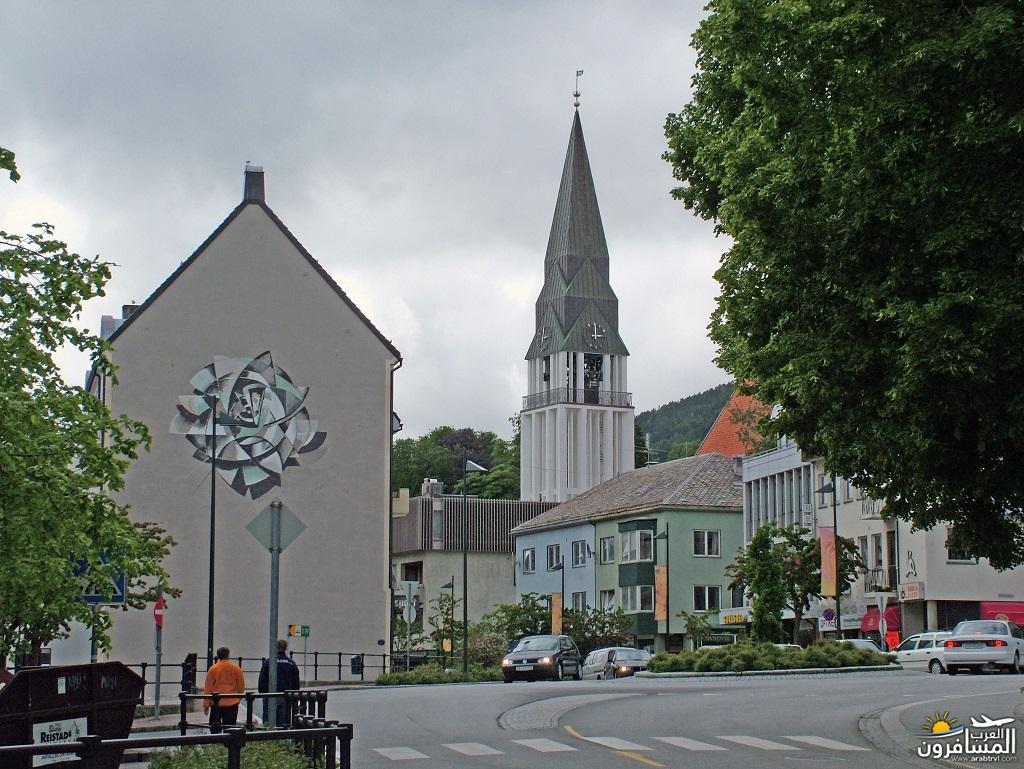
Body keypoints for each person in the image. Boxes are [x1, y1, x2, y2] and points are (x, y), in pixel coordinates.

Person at [258, 639, 301, 726]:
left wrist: (263, 692)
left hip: (270, 695)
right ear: (286, 648)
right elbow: (296, 683)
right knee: (283, 722)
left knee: (268, 722)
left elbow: (262, 680)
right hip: (285, 696)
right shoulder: (291, 663)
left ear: (275, 647)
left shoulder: (268, 662)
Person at [203, 647, 246, 733]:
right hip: (232, 702)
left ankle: (216, 740)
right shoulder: (236, 668)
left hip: (216, 702)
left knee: (215, 728)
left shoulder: (213, 669)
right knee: (230, 728)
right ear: (228, 655)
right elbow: (241, 686)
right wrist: (238, 698)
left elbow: (208, 688)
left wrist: (206, 705)